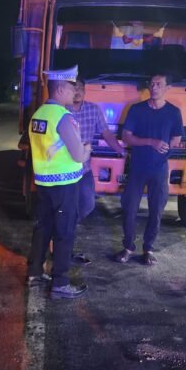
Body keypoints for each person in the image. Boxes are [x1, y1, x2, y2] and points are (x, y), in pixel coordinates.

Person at [26, 65, 92, 299]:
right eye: (72, 88)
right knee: (64, 232)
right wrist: (87, 149)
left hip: (44, 184)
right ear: (61, 89)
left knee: (43, 228)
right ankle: (60, 283)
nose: (75, 91)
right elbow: (78, 155)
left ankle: (35, 272)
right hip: (64, 185)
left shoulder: (38, 115)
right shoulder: (63, 117)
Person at [114, 72, 184, 266]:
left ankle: (148, 249)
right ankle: (128, 247)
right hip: (137, 167)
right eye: (152, 83)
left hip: (160, 169)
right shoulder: (137, 110)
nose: (154, 87)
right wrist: (151, 142)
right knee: (129, 208)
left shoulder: (173, 112)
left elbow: (177, 137)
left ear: (168, 88)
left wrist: (167, 147)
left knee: (156, 209)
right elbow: (126, 136)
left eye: (159, 84)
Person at [68, 76, 126, 265]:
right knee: (63, 208)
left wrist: (121, 150)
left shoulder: (93, 110)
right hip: (63, 170)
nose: (77, 91)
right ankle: (62, 243)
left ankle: (64, 228)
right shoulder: (61, 110)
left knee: (87, 204)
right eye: (74, 88)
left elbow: (106, 133)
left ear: (85, 91)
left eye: (80, 88)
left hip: (83, 169)